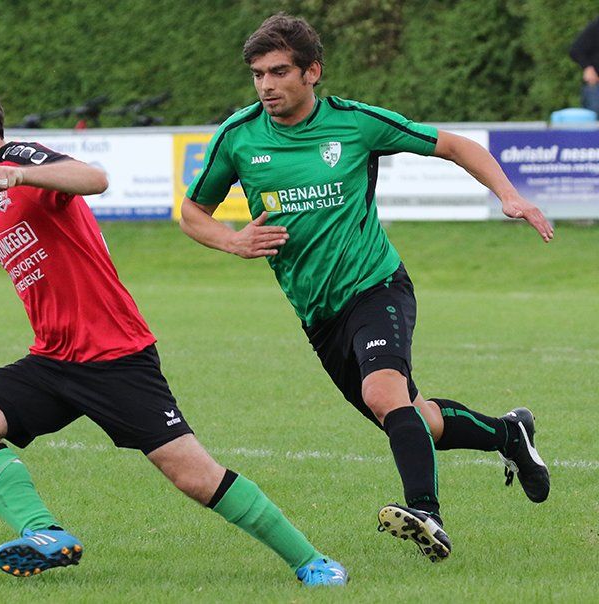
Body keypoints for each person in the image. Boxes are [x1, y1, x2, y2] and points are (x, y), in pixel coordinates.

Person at [0, 72, 347, 587]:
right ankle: (44, 533)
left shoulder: (21, 159)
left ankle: (312, 561)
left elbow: (95, 179)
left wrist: (22, 176)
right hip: (54, 359)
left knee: (194, 475)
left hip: (115, 356)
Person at [179, 14, 553, 563]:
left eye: (279, 72)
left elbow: (454, 145)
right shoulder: (239, 136)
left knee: (383, 394)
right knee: (415, 417)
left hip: (376, 285)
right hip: (318, 313)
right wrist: (232, 241)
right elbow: (192, 211)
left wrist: (509, 195)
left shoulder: (355, 123)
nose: (266, 86)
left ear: (312, 72)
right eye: (258, 74)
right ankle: (508, 434)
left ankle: (426, 513)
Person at [570, 16, 599, 115]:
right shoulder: (596, 26)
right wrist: (588, 67)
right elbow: (576, 50)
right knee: (594, 118)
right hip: (596, 86)